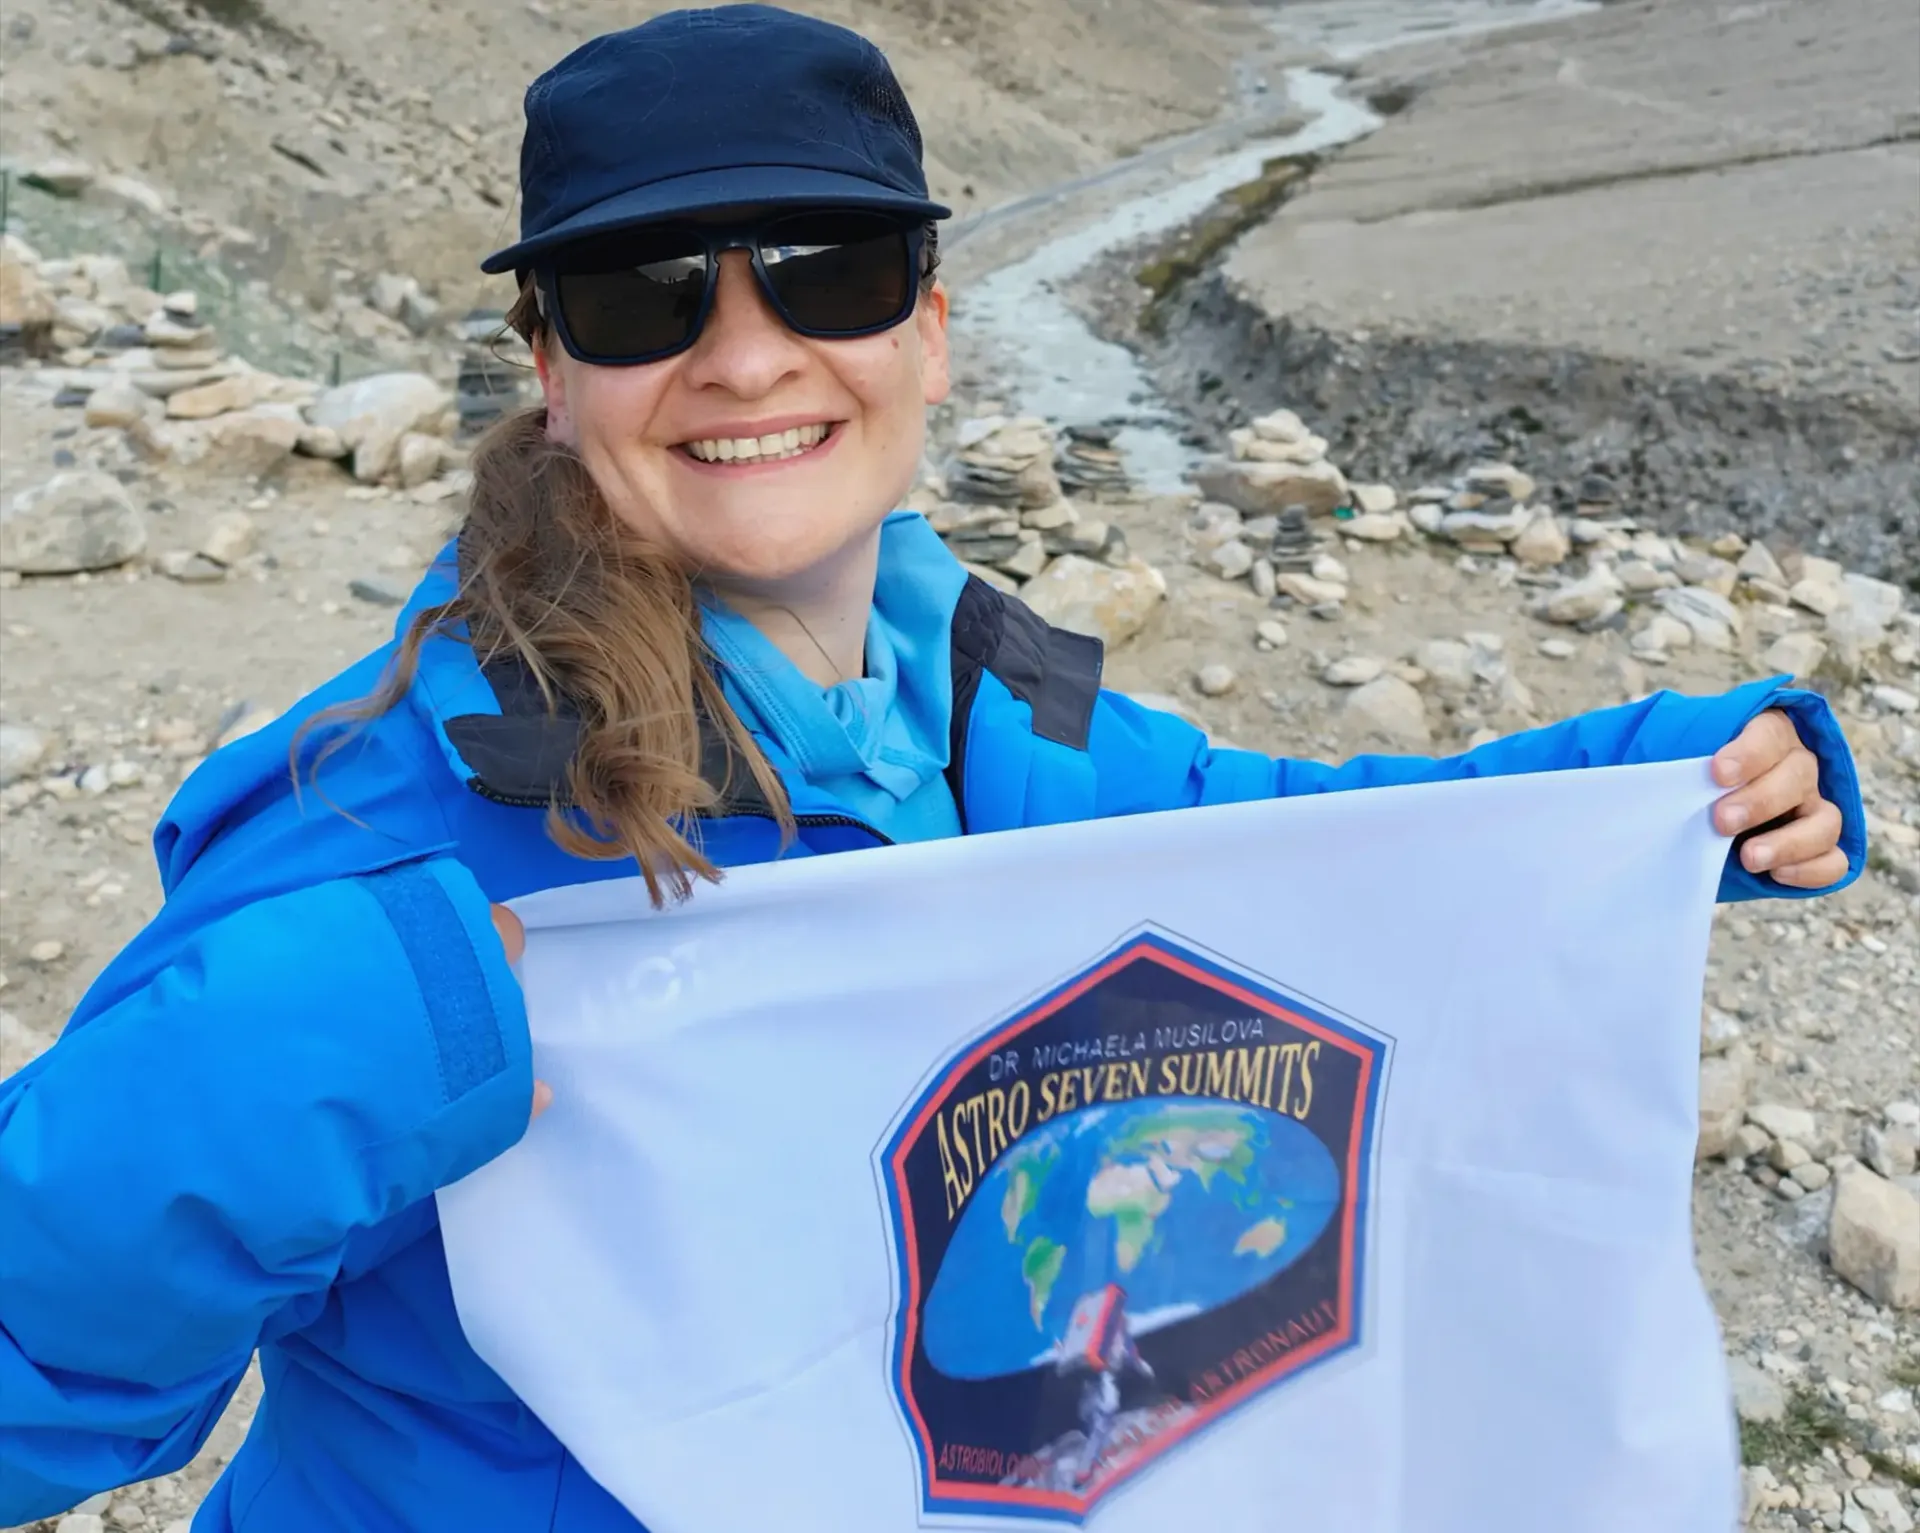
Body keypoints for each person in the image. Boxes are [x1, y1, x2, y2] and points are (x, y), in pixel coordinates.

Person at [0, 7, 1866, 1529]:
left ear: (934, 333)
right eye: (646, 298)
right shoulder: (375, 830)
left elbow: (1287, 860)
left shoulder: (983, 702)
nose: (745, 356)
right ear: (550, 371)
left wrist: (1659, 793)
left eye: (831, 270)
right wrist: (299, 1055)